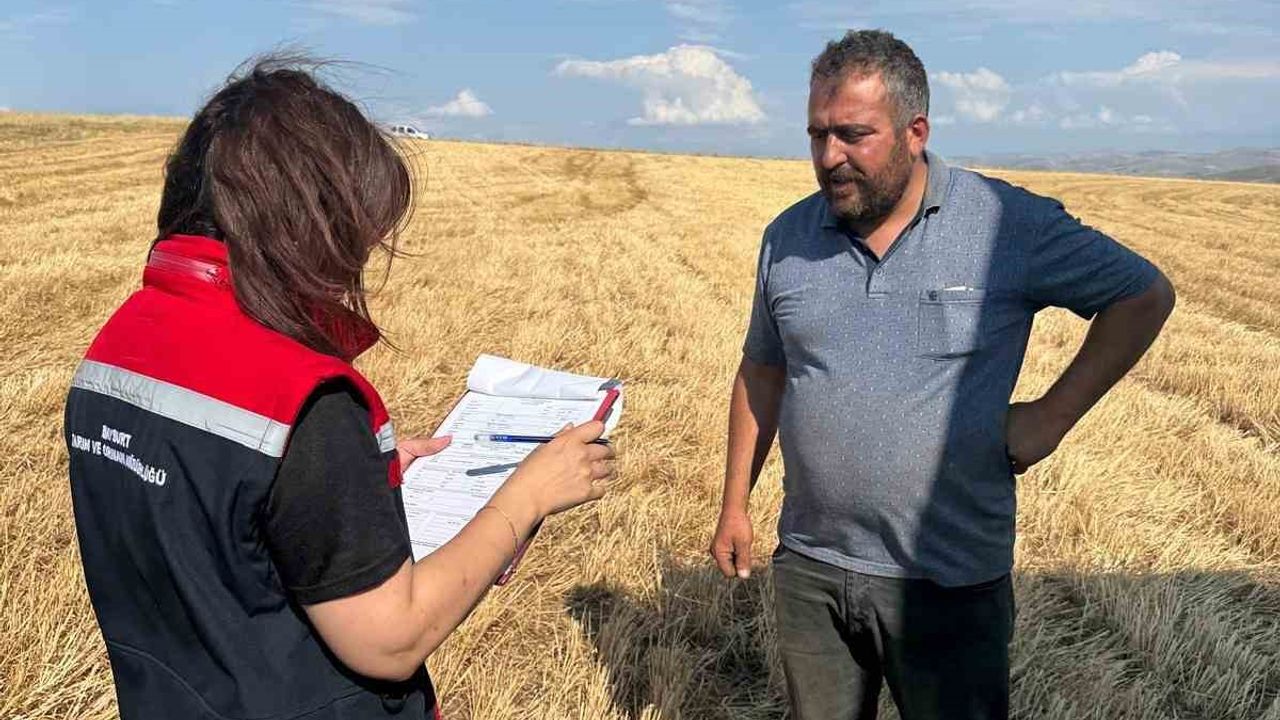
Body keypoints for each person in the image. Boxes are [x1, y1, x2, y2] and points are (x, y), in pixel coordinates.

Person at [63, 57, 615, 719]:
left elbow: (214, 510)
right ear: (309, 227)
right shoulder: (302, 400)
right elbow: (390, 639)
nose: (360, 259)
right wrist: (525, 497)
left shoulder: (121, 342)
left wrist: (346, 481)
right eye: (358, 236)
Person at [709, 30, 1175, 720]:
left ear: (915, 132)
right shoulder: (789, 237)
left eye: (853, 135)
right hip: (810, 567)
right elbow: (763, 370)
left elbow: (1142, 294)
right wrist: (735, 505)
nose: (829, 157)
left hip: (948, 580)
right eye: (817, 135)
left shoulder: (1006, 224)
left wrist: (1050, 417)